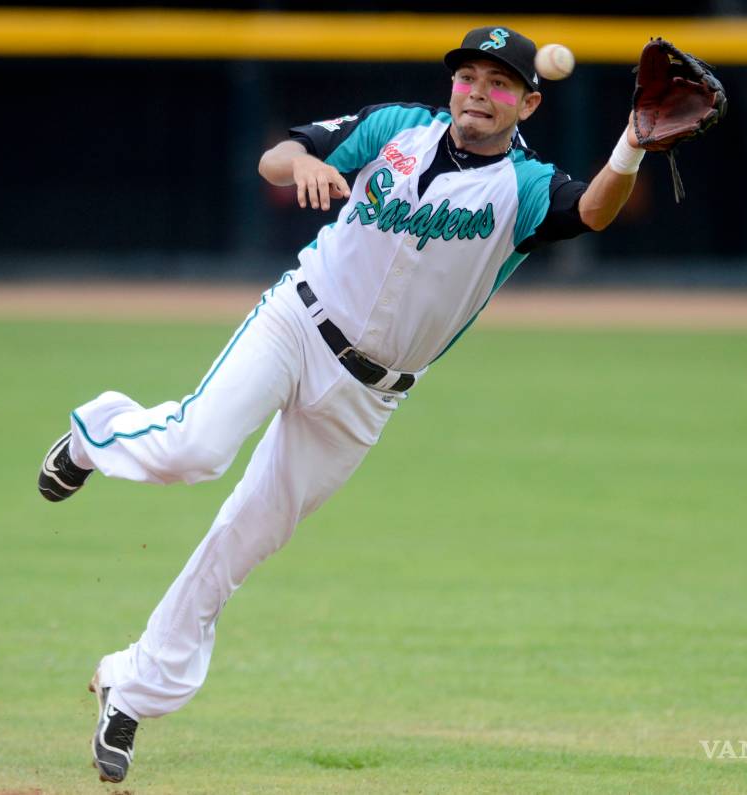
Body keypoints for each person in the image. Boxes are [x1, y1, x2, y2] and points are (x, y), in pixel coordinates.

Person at [37, 26, 645, 784]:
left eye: (499, 84)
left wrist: (632, 143)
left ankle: (131, 687)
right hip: (298, 323)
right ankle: (97, 432)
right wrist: (302, 163)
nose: (478, 94)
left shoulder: (523, 188)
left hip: (368, 396)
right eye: (468, 77)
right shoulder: (395, 129)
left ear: (528, 103)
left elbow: (593, 210)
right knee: (194, 448)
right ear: (452, 85)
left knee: (245, 539)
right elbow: (277, 156)